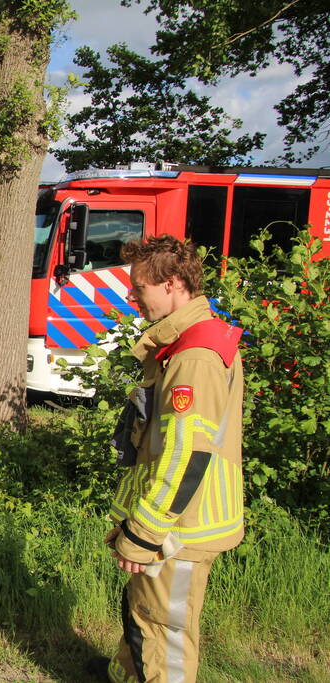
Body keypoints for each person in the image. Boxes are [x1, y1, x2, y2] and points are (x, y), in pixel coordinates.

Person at [90, 235, 244, 683]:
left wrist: (144, 533)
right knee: (144, 611)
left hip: (179, 526)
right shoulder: (189, 341)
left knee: (163, 630)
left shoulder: (194, 356)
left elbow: (185, 456)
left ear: (173, 283)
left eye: (139, 287)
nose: (132, 297)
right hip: (174, 520)